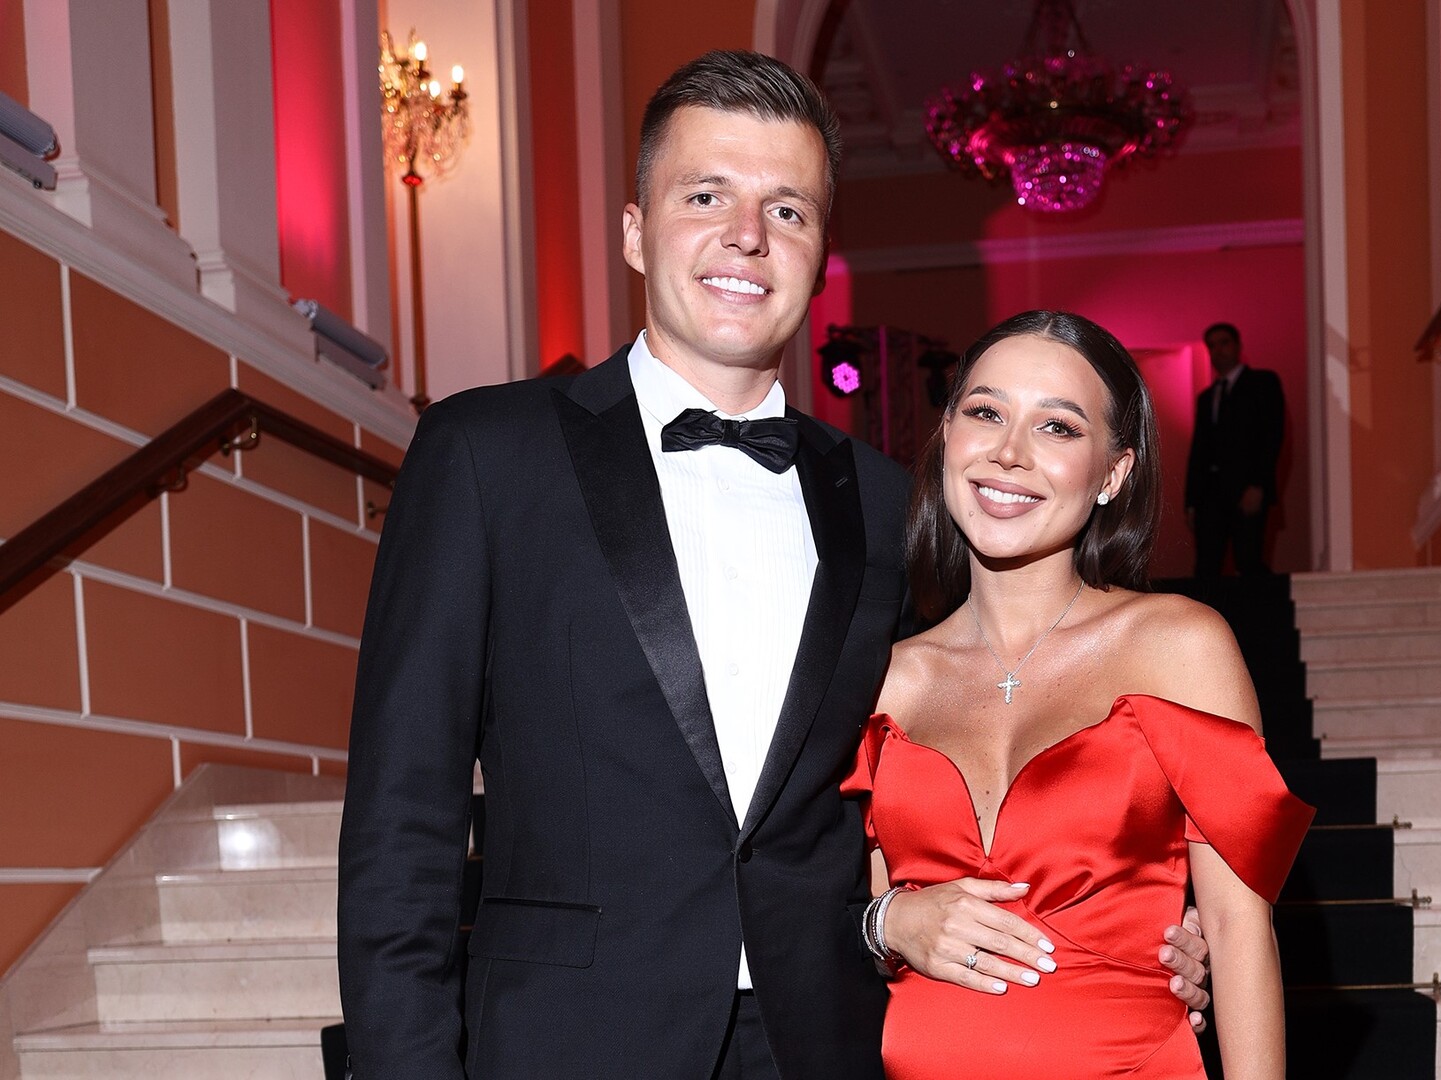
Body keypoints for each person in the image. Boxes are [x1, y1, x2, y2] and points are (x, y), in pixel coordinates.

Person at [336, 53, 1208, 1080]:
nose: (747, 235)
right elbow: (403, 818)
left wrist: (1131, 927)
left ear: (819, 255)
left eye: (786, 210)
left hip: (823, 1041)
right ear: (635, 232)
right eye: (706, 195)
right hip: (566, 1042)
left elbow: (954, 768)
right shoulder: (487, 455)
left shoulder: (888, 502)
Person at [845, 311, 1314, 1078]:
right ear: (947, 437)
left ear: (1113, 474)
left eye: (1057, 427)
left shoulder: (1178, 647)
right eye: (986, 412)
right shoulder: (882, 679)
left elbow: (1237, 929)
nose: (1009, 452)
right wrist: (887, 924)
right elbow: (837, 929)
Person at [1184, 322, 1285, 576]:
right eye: (1212, 346)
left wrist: (1258, 484)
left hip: (1246, 487)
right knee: (1206, 566)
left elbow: (1271, 435)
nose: (1218, 350)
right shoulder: (1207, 397)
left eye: (1224, 343)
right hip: (1210, 493)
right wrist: (1192, 501)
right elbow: (1199, 449)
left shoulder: (1262, 383)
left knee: (1248, 560)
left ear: (1238, 346)